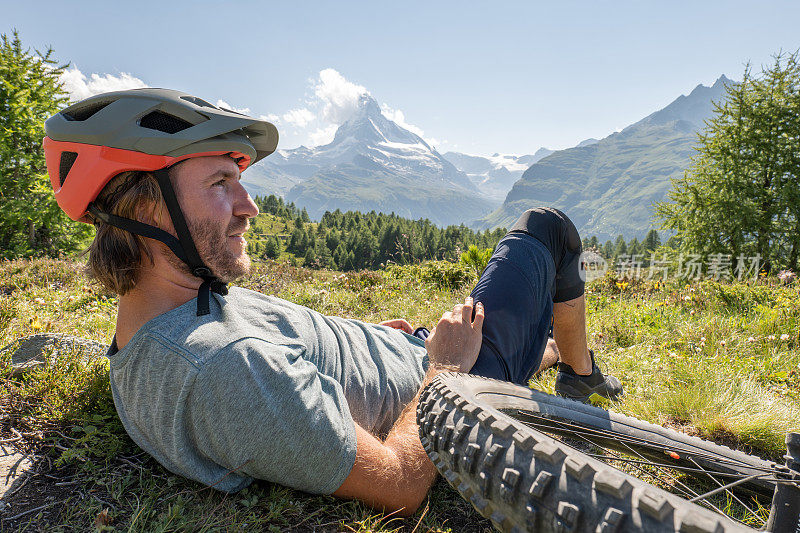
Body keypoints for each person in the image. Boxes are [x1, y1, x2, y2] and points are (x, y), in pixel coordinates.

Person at [44, 88, 622, 516]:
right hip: (453, 389)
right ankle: (579, 373)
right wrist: (446, 366)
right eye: (221, 184)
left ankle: (543, 351)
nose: (249, 207)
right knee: (546, 228)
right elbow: (400, 486)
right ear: (147, 212)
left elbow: (282, 355)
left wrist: (369, 339)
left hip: (408, 350)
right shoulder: (225, 369)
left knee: (521, 318)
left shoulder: (165, 313)